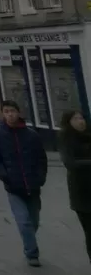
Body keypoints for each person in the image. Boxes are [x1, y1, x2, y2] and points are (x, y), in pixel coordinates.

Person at [0, 98, 48, 267]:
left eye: (12, 111)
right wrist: (4, 175)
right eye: (6, 111)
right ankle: (32, 253)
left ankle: (28, 240)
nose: (10, 114)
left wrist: (41, 177)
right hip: (13, 186)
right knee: (24, 221)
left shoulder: (31, 135)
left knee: (34, 221)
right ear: (3, 114)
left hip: (33, 185)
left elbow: (41, 158)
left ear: (18, 112)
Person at [59, 109, 91, 264]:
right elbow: (70, 163)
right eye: (76, 118)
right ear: (69, 122)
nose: (81, 121)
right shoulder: (67, 140)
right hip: (82, 193)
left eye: (82, 117)